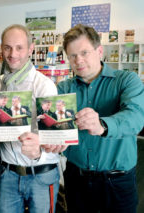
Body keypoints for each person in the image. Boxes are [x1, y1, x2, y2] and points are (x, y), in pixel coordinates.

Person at [58, 24, 144, 213]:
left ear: (99, 51)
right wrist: (53, 140)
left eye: (84, 52)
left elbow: (135, 117)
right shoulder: (63, 89)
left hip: (117, 182)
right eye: (72, 55)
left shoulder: (127, 80)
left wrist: (103, 125)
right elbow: (54, 125)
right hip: (76, 179)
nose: (78, 60)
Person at [0, 24, 67, 213]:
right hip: (8, 176)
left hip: (41, 176)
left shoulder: (44, 86)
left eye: (19, 47)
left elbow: (58, 138)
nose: (13, 54)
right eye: (7, 47)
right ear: (2, 48)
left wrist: (39, 151)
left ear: (30, 49)